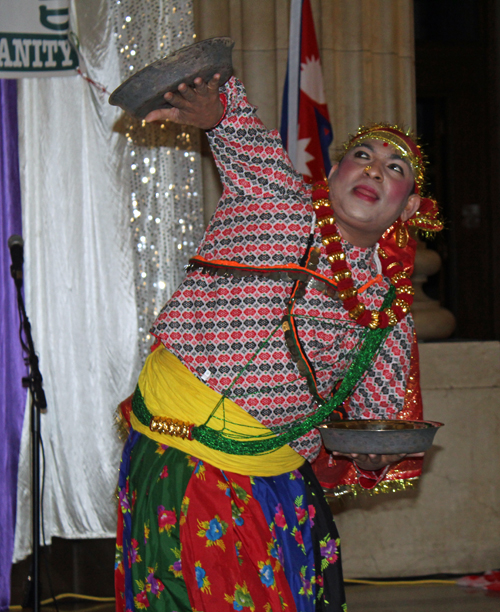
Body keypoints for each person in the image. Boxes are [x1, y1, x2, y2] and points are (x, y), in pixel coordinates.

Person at [114, 74, 442, 612]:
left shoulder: (385, 307)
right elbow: (237, 128)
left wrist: (381, 454)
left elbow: (375, 421)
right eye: (362, 155)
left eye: (395, 168)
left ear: (407, 209)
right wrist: (215, 106)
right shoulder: (273, 197)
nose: (374, 169)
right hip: (174, 449)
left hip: (274, 478)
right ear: (334, 172)